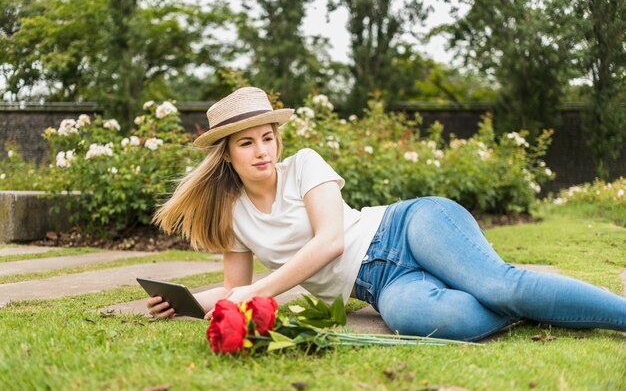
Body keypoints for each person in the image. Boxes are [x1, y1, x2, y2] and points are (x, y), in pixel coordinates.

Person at [147, 86, 626, 341]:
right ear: (226, 154)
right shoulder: (233, 215)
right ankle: (522, 304)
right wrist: (189, 301)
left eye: (267, 138)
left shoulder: (305, 165)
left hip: (408, 227)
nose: (261, 151)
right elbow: (237, 290)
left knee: (500, 285)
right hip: (383, 286)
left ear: (278, 138)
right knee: (425, 320)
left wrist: (258, 291)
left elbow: (330, 241)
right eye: (246, 143)